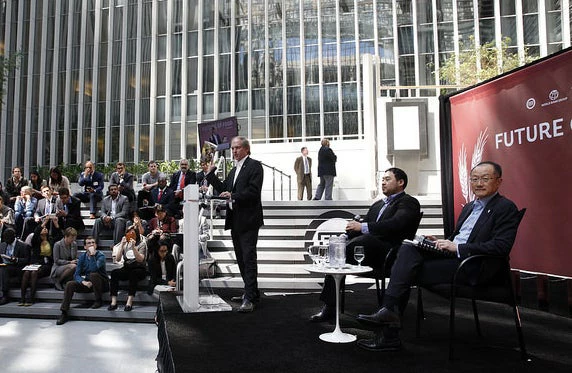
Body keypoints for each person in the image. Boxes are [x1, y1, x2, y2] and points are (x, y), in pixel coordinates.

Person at [355, 161, 521, 352]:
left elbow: (501, 246)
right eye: (474, 179)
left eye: (485, 178)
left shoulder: (505, 207)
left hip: (474, 266)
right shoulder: (469, 207)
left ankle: (388, 322)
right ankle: (388, 314)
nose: (479, 183)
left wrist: (457, 247)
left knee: (406, 270)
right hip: (454, 258)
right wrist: (440, 242)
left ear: (498, 182)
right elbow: (459, 237)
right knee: (408, 248)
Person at [310, 167, 421, 322]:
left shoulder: (408, 202)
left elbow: (396, 224)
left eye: (387, 179)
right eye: (382, 180)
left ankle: (331, 307)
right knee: (339, 247)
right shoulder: (377, 205)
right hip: (367, 250)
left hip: (391, 252)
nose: (383, 183)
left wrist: (362, 227)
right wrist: (345, 235)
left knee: (358, 243)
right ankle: (330, 306)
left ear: (401, 182)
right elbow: (363, 227)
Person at [206, 136, 264, 313]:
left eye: (237, 148)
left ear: (246, 149)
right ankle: (250, 292)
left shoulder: (255, 166)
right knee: (240, 258)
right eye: (232, 148)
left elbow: (253, 192)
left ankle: (249, 297)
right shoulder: (233, 170)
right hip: (235, 219)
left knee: (248, 258)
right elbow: (225, 187)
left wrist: (233, 196)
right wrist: (210, 175)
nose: (234, 151)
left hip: (248, 220)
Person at [56, 236, 108, 325]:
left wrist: (92, 255)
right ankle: (64, 312)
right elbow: (76, 274)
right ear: (85, 247)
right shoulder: (82, 257)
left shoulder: (101, 256)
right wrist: (83, 282)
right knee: (70, 284)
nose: (91, 244)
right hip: (89, 283)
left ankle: (98, 300)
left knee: (93, 274)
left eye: (93, 243)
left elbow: (94, 269)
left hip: (101, 284)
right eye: (89, 243)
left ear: (96, 245)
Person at [108, 225, 148, 311]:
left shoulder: (142, 244)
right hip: (127, 267)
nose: (130, 234)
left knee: (134, 274)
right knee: (114, 273)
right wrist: (122, 245)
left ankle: (129, 301)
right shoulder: (125, 244)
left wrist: (133, 247)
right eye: (128, 233)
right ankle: (113, 301)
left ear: (136, 234)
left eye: (133, 233)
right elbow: (118, 259)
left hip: (139, 268)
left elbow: (140, 259)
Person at [20, 223, 60, 305]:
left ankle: (31, 298)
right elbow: (36, 231)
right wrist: (44, 223)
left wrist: (56, 225)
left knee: (34, 273)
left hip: (46, 264)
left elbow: (60, 236)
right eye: (43, 228)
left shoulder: (51, 240)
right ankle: (22, 298)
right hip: (35, 263)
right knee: (26, 272)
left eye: (46, 228)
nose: (45, 229)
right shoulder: (35, 240)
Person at [0, 228, 31, 305]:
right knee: (3, 268)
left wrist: (16, 260)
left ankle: (5, 295)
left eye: (7, 238)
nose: (5, 240)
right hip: (4, 265)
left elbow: (27, 260)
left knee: (4, 269)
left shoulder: (23, 246)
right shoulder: (2, 245)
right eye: (4, 238)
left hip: (17, 267)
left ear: (13, 237)